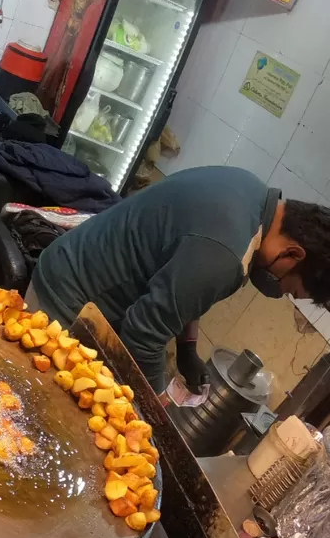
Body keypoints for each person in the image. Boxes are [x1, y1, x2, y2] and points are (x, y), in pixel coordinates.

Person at [28, 166, 330, 394]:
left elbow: (185, 283)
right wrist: (154, 404)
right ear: (293, 254)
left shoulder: (249, 190)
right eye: (287, 288)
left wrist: (187, 347)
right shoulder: (228, 254)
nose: (277, 289)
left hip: (69, 267)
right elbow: (142, 335)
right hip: (67, 305)